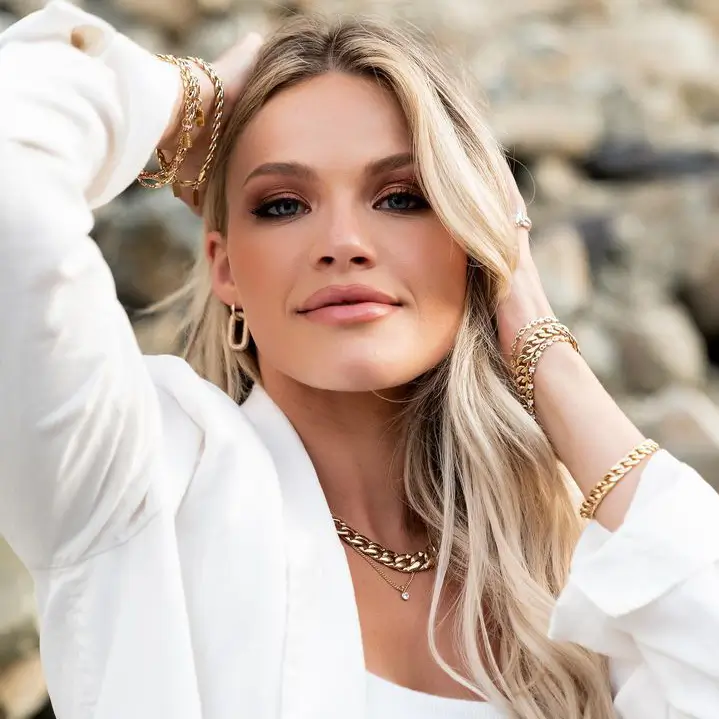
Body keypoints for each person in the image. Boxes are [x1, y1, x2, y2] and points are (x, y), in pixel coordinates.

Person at [0, 0, 718, 717]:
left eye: (401, 198)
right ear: (225, 268)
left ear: (474, 241)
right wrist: (186, 98)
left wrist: (542, 350)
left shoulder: (569, 577)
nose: (342, 243)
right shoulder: (136, 485)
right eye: (283, 204)